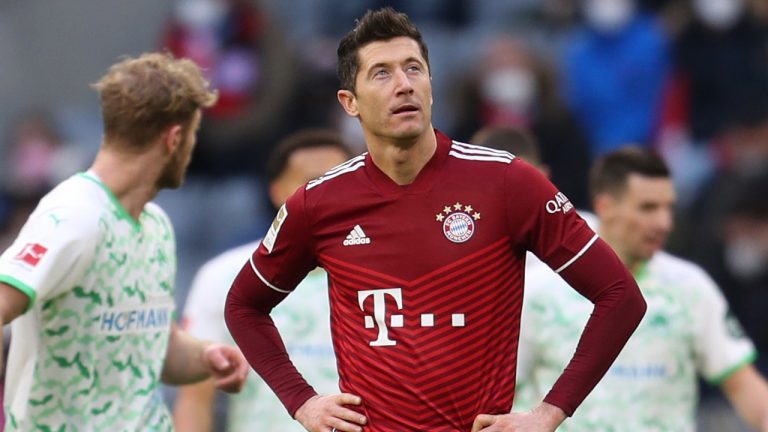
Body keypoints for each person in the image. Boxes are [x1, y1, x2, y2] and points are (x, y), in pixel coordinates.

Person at [224, 8, 646, 432]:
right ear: (350, 103)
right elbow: (243, 306)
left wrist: (548, 414)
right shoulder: (318, 203)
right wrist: (302, 401)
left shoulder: (506, 181)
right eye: (382, 73)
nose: (404, 84)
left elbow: (620, 296)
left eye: (413, 69)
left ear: (431, 85)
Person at [0, 52, 249, 431]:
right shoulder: (75, 215)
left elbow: (159, 348)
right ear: (174, 138)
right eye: (193, 134)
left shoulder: (156, 225)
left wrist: (205, 356)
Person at [515, 146, 768, 431]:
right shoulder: (539, 291)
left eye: (668, 207)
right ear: (605, 207)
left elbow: (743, 384)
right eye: (648, 208)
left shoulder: (691, 288)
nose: (664, 223)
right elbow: (500, 394)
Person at [173, 129, 352, 432]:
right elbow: (195, 399)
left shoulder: (388, 272)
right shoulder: (224, 275)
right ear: (277, 192)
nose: (328, 195)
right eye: (312, 183)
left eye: (339, 182)